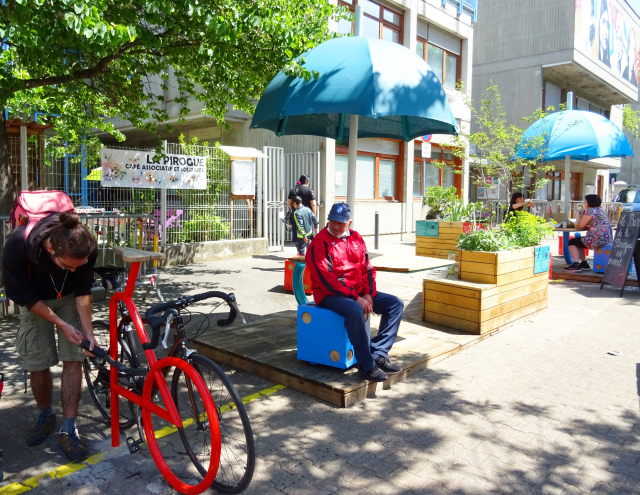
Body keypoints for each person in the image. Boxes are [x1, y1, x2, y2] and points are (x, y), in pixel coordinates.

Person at [2, 211, 98, 461]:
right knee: (38, 360)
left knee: (75, 357)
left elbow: (83, 290)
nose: (73, 270)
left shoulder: (85, 243)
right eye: (68, 266)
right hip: (34, 300)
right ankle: (45, 414)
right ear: (50, 248)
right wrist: (61, 324)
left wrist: (88, 332)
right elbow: (22, 295)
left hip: (68, 298)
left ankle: (69, 426)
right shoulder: (17, 245)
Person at [305, 202, 404, 382]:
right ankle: (366, 365)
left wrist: (368, 294)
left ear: (349, 222)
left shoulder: (356, 238)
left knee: (395, 304)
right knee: (354, 309)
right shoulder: (319, 243)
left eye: (340, 222)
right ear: (328, 220)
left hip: (357, 293)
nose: (335, 226)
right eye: (332, 221)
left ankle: (378, 353)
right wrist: (356, 298)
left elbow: (367, 269)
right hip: (329, 295)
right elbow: (326, 279)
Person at [565, 194, 613, 272]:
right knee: (578, 242)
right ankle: (584, 263)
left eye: (585, 201)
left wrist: (577, 218)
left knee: (572, 242)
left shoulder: (590, 211)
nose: (584, 203)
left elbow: (580, 226)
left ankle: (576, 264)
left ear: (588, 202)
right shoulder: (600, 210)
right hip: (607, 239)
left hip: (597, 240)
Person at [287, 175, 317, 243]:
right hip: (307, 215)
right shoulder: (310, 191)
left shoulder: (293, 190)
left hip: (295, 214)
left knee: (297, 231)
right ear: (307, 182)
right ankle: (308, 249)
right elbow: (313, 204)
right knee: (309, 233)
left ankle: (300, 249)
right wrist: (313, 215)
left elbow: (289, 203)